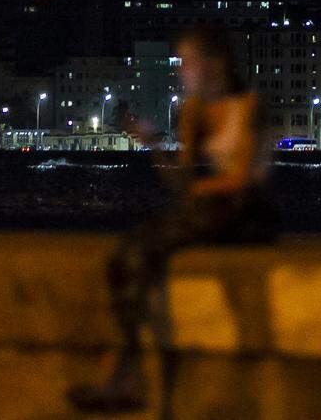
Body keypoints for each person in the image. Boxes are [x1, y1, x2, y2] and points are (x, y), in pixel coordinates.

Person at [68, 26, 277, 415]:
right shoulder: (193, 110)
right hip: (209, 210)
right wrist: (152, 143)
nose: (182, 71)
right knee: (126, 257)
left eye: (188, 62)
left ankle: (126, 375)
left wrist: (201, 190)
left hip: (246, 213)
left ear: (215, 64)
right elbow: (182, 182)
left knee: (145, 249)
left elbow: (243, 179)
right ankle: (129, 370)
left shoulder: (248, 106)